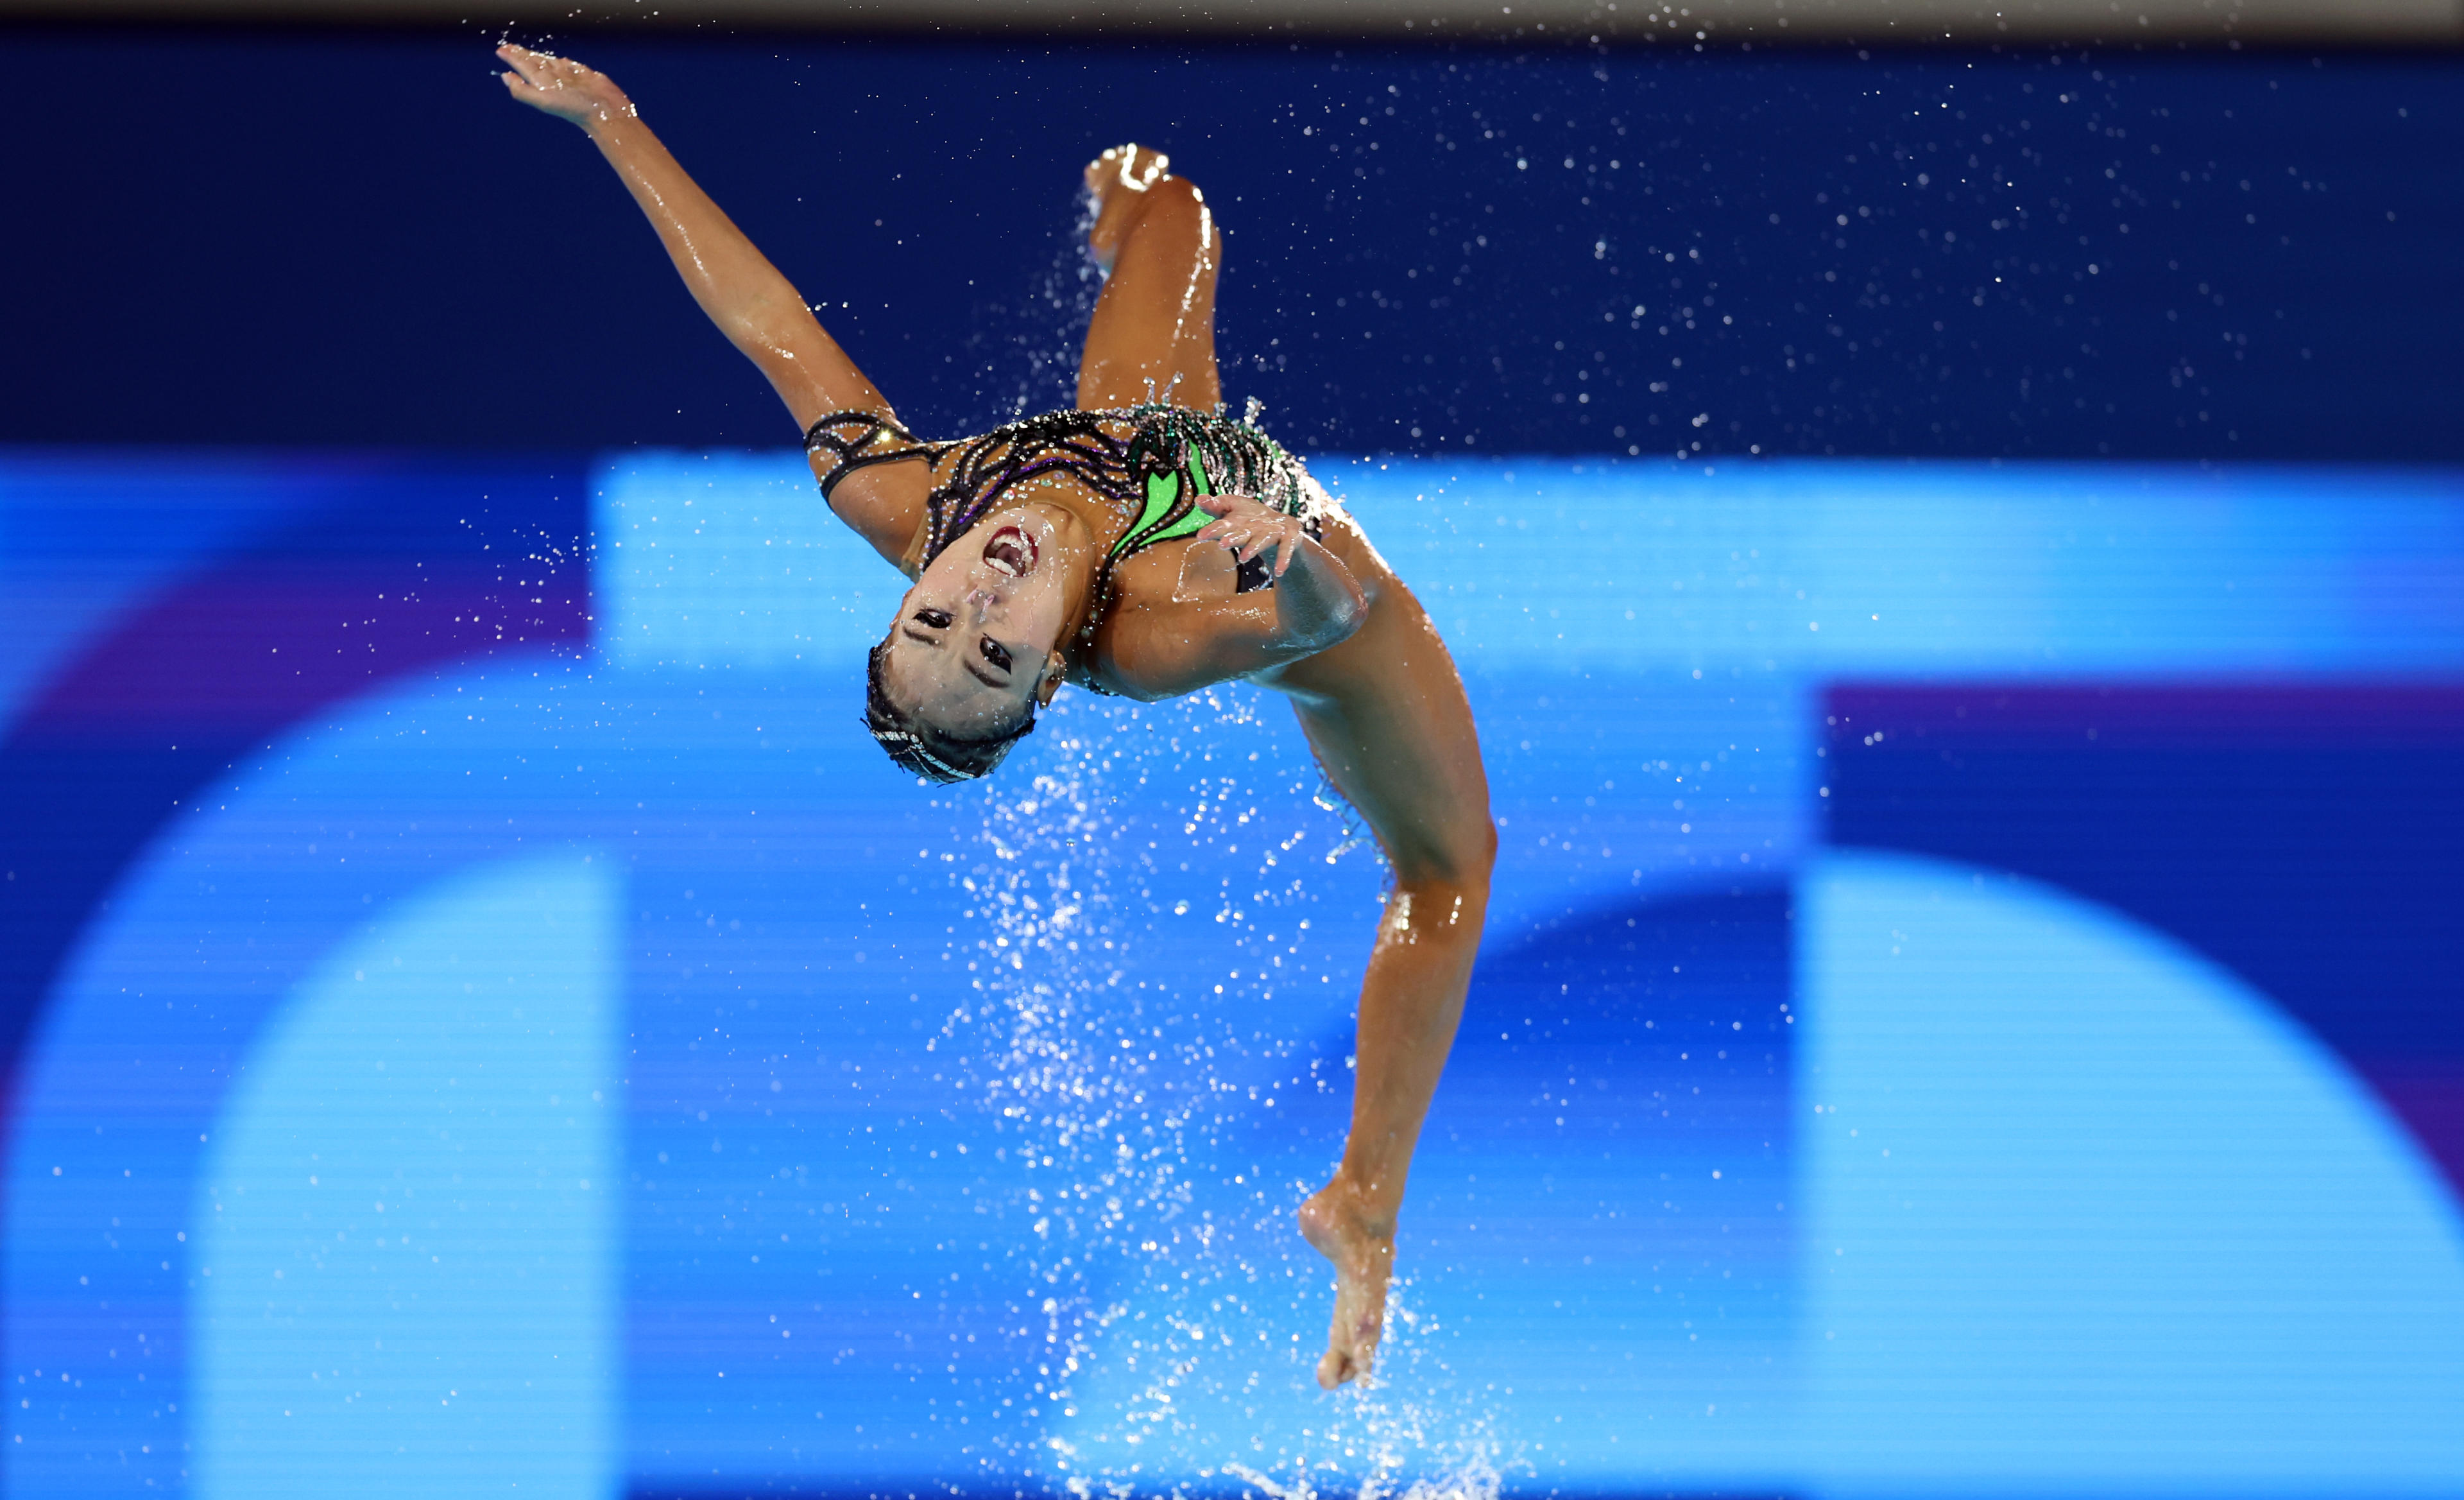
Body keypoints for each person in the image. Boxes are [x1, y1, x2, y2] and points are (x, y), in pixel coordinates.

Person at [499, 44, 1495, 1390]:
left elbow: (767, 322)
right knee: (1448, 868)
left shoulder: (896, 497)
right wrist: (1294, 554)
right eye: (993, 651)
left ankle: (1113, 190)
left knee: (1169, 201)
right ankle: (1363, 1198)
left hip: (1147, 434)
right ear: (1048, 678)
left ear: (904, 594)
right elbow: (1315, 625)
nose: (979, 598)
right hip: (1305, 586)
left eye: (933, 622)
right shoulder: (1142, 631)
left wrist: (613, 120)